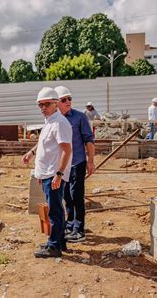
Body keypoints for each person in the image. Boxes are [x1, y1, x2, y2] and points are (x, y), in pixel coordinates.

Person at [22, 87, 72, 258]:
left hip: (53, 175)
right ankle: (60, 242)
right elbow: (45, 145)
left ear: (55, 104)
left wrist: (58, 174)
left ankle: (54, 247)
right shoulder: (50, 121)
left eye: (46, 104)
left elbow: (66, 150)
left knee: (55, 211)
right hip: (46, 174)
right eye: (40, 105)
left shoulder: (59, 123)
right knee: (56, 209)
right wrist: (32, 154)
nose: (43, 107)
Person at [55, 86, 95, 243]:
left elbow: (89, 140)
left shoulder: (79, 117)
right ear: (56, 102)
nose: (68, 102)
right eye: (64, 99)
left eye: (69, 99)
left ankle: (79, 230)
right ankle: (70, 225)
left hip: (77, 162)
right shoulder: (56, 119)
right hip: (63, 166)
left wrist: (91, 161)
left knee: (76, 196)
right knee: (66, 196)